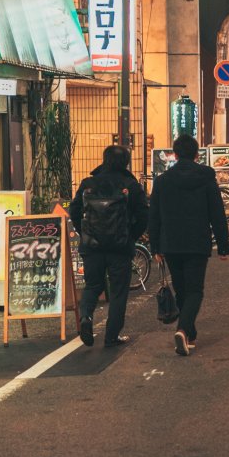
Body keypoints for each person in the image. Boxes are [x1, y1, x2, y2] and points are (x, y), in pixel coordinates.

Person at [147, 133, 229, 356]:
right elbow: (217, 214)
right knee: (194, 290)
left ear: (174, 155)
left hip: (170, 243)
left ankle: (189, 334)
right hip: (196, 242)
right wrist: (223, 246)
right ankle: (183, 329)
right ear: (197, 155)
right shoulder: (205, 179)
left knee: (182, 289)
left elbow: (153, 216)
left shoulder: (162, 181)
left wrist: (155, 246)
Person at [69, 144, 148, 349]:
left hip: (92, 246)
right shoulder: (130, 184)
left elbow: (74, 211)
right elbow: (143, 215)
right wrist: (131, 236)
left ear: (104, 160)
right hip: (120, 247)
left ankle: (86, 317)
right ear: (126, 162)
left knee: (93, 286)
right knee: (118, 291)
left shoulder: (89, 183)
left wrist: (84, 232)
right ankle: (111, 336)